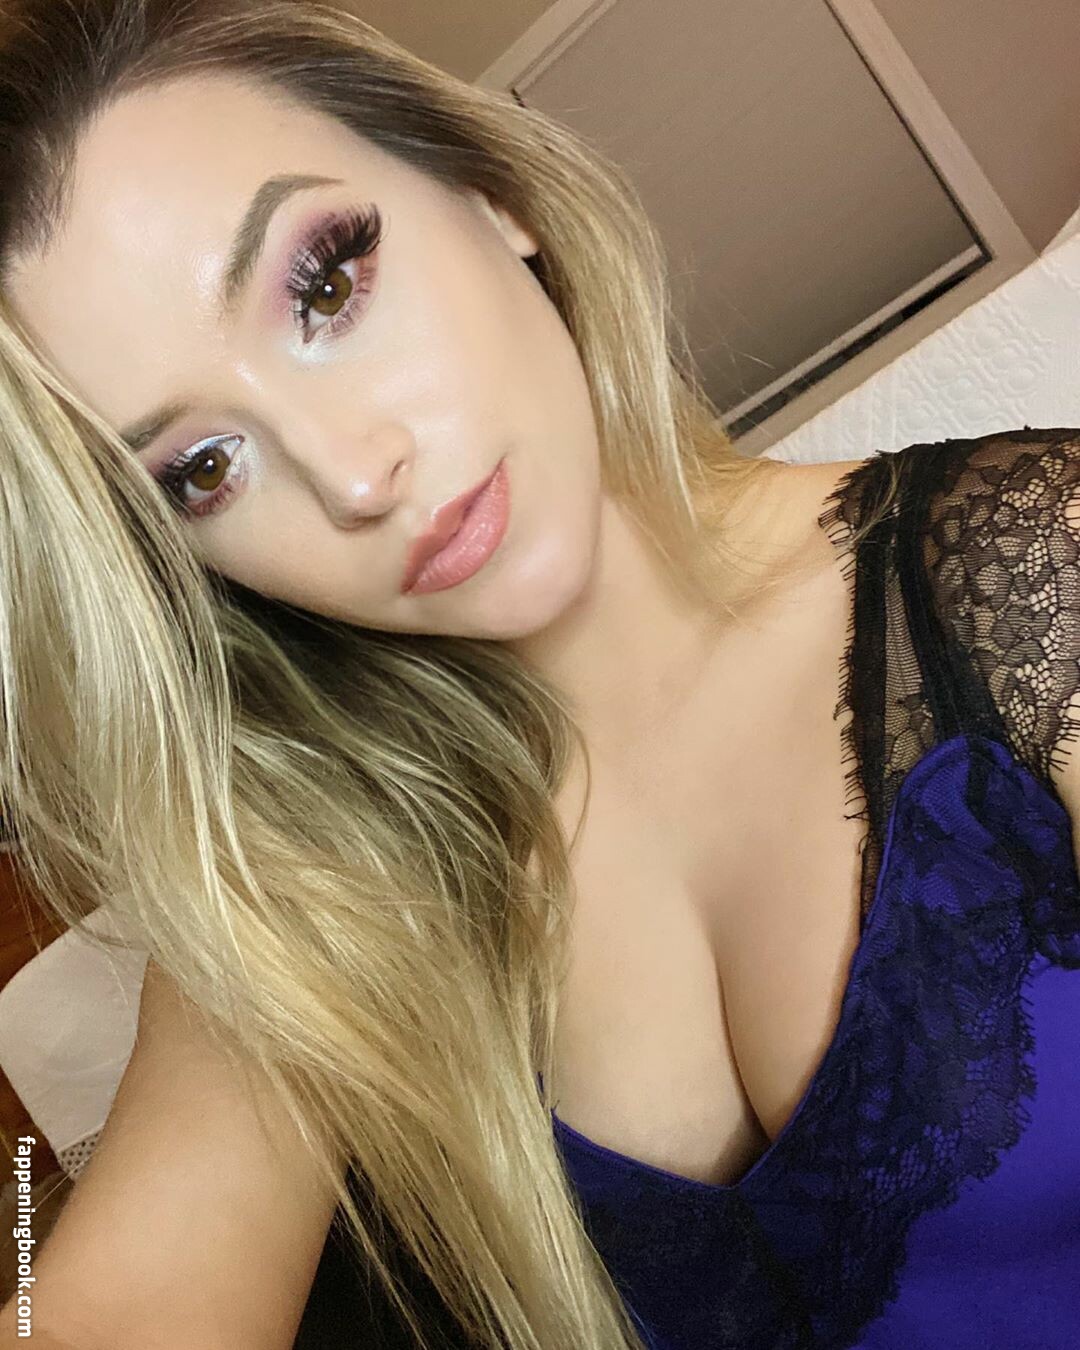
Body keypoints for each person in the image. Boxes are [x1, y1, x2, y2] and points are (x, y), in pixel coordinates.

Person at [0, 1, 1078, 1347]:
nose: (354, 474)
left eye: (325, 289)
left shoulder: (1035, 572)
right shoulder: (313, 883)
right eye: (202, 468)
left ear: (487, 191)